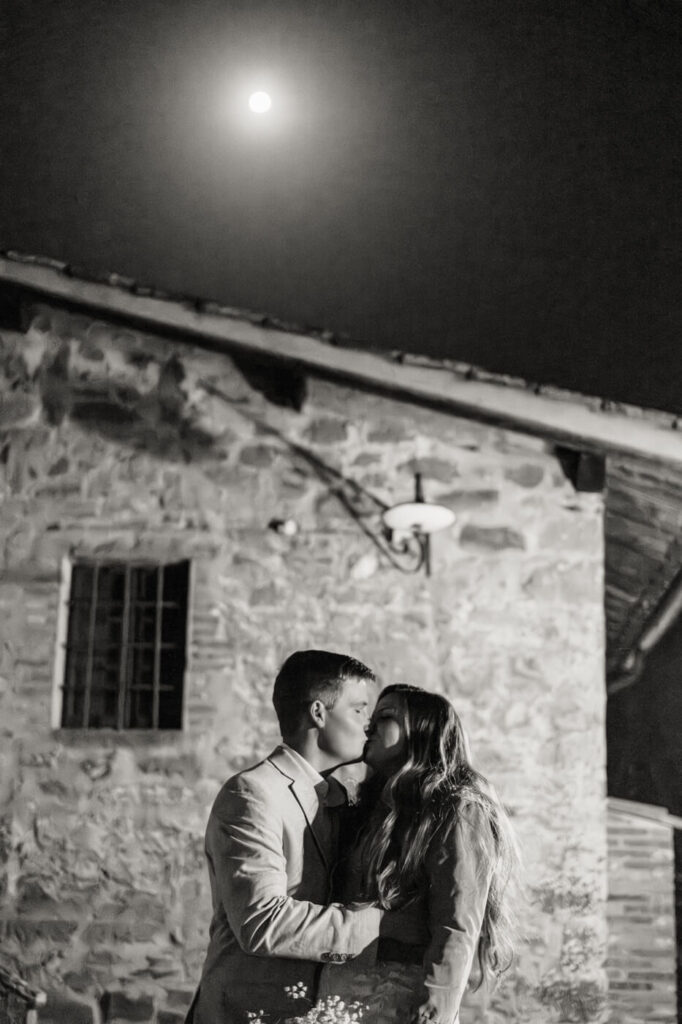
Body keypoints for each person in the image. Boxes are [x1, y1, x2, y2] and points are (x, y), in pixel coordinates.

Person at [186, 651, 425, 1024]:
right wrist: (384, 923)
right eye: (360, 710)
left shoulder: (341, 797)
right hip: (248, 1013)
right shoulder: (252, 794)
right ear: (318, 712)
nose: (368, 725)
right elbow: (262, 922)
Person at [319, 684, 519, 1024]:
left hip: (401, 998)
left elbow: (457, 921)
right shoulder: (372, 807)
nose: (369, 726)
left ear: (423, 731)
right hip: (342, 989)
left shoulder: (457, 808)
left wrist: (436, 1005)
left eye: (386, 717)